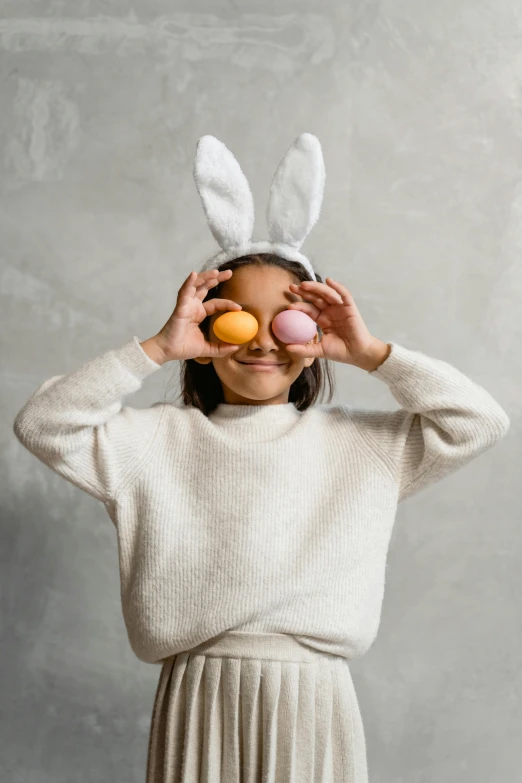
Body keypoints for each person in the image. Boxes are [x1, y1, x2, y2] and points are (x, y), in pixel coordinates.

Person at [12, 136, 510, 783]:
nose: (263, 341)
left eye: (288, 322)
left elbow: (480, 420)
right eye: (237, 320)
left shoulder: (363, 445)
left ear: (315, 336)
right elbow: (43, 423)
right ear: (207, 333)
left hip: (315, 694)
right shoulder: (153, 442)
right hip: (199, 690)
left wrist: (372, 353)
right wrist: (156, 348)